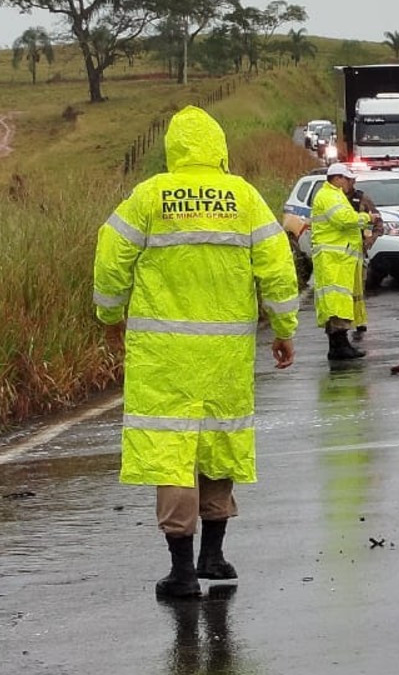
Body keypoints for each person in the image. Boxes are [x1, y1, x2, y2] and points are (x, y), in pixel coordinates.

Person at [92, 105, 299, 600]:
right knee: (219, 445)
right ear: (219, 148)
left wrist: (109, 316)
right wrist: (284, 327)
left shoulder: (150, 196)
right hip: (225, 355)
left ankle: (182, 571)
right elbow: (276, 264)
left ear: (173, 148)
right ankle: (215, 555)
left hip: (163, 357)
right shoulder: (244, 197)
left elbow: (111, 256)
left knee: (172, 453)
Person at [311, 163, 372, 360]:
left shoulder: (332, 195)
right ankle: (339, 346)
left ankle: (340, 345)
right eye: (348, 179)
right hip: (333, 260)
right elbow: (343, 219)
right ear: (337, 178)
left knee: (339, 303)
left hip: (339, 259)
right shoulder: (329, 195)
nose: (350, 183)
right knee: (336, 303)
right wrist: (365, 217)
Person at [348, 185, 383, 339]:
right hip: (336, 255)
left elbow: (377, 221)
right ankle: (340, 324)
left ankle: (359, 321)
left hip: (357, 252)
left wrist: (370, 239)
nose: (350, 183)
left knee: (358, 290)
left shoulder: (362, 199)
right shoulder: (332, 199)